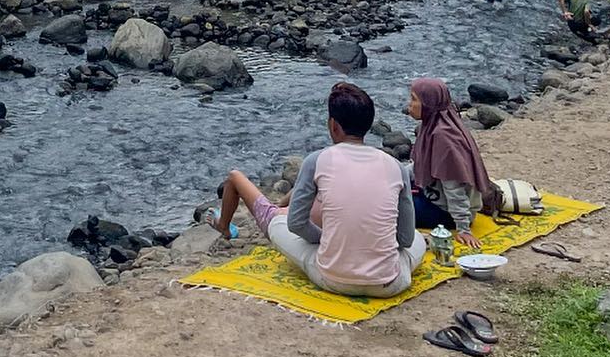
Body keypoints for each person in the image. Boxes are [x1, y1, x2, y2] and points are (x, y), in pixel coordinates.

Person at [210, 83, 425, 298]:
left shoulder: (317, 160)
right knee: (416, 238)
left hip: (331, 278)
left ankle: (228, 227)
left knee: (279, 223)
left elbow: (296, 223)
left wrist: (322, 239)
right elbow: (405, 239)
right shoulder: (396, 166)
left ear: (333, 125)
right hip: (390, 284)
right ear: (368, 125)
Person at [406, 78, 497, 249]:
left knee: (390, 206)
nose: (409, 104)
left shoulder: (443, 137)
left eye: (413, 99)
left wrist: (463, 228)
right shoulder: (434, 123)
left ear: (428, 103)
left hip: (446, 211)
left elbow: (453, 186)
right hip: (435, 193)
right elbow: (417, 167)